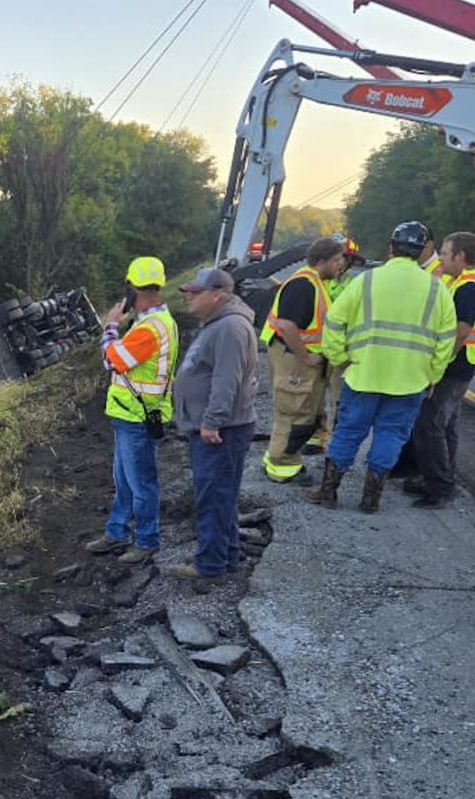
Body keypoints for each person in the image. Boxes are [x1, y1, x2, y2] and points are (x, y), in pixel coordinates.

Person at [307, 221, 458, 514]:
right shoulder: (437, 291)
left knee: (348, 433)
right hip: (410, 382)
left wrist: (340, 357)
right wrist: (433, 376)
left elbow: (334, 323)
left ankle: (328, 492)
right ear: (423, 251)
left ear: (391, 248)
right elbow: (445, 341)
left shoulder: (365, 281)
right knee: (391, 436)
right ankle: (371, 499)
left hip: (364, 376)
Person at [85, 256, 179, 563]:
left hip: (136, 417)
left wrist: (111, 325)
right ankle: (116, 532)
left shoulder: (149, 328)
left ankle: (147, 539)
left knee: (140, 483)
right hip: (132, 414)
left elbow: (112, 360)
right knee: (125, 480)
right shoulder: (156, 322)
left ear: (132, 289)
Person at [168, 268, 258, 580]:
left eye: (195, 292)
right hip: (217, 426)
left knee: (213, 495)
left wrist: (211, 422)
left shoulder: (230, 328)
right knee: (221, 495)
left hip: (221, 430)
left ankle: (209, 565)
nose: (189, 297)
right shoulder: (218, 324)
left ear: (217, 294)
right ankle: (225, 555)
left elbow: (226, 380)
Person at [405, 231, 475, 507]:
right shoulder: (461, 280)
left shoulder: (469, 286)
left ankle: (439, 488)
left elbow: (460, 332)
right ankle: (441, 477)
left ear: (461, 256)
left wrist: (436, 367)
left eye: (444, 252)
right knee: (446, 426)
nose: (440, 258)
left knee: (429, 425)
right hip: (459, 366)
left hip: (453, 367)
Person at [259, 237, 346, 484]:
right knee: (293, 413)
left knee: (297, 410)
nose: (342, 264)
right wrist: (305, 356)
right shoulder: (303, 285)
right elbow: (287, 325)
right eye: (338, 259)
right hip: (295, 360)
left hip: (297, 359)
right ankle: (282, 468)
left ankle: (280, 459)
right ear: (323, 261)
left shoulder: (313, 282)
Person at [308, 233, 367, 452]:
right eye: (338, 259)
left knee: (339, 398)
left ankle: (336, 441)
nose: (342, 264)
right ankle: (315, 435)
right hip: (315, 348)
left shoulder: (354, 285)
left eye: (345, 260)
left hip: (341, 349)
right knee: (313, 395)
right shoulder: (314, 282)